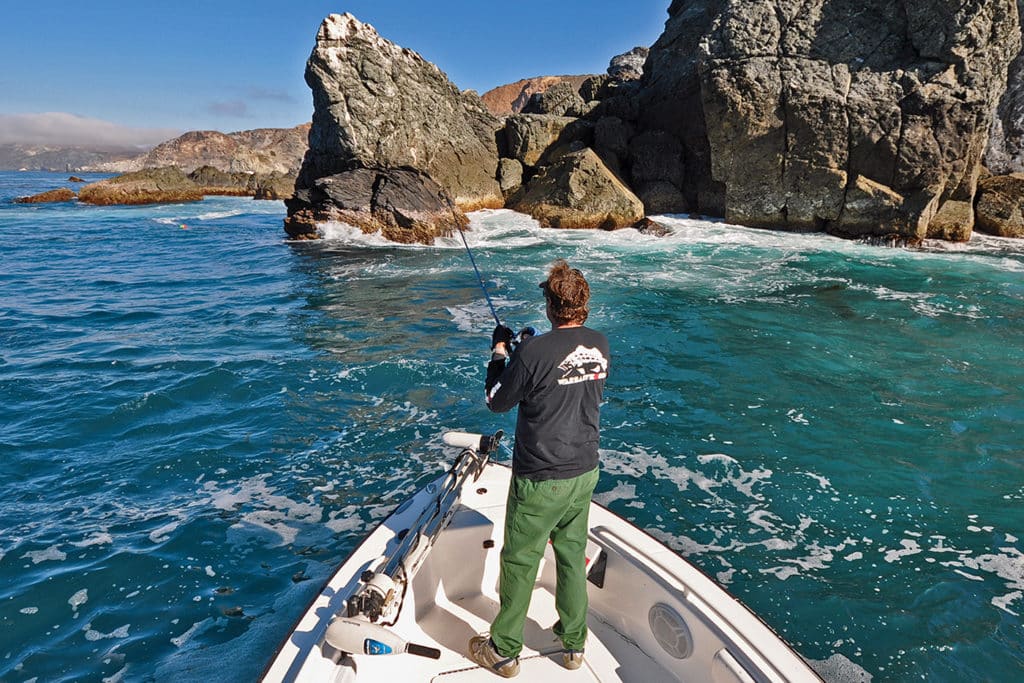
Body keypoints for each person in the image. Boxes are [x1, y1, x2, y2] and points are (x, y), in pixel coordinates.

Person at [467, 259, 610, 678]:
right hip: (584, 471)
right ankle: (574, 644)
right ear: (583, 304)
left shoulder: (532, 353)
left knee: (520, 561)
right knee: (569, 556)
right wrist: (529, 349)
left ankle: (504, 651)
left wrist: (500, 352)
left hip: (541, 478)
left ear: (550, 305)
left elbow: (496, 399)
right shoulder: (600, 343)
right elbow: (562, 370)